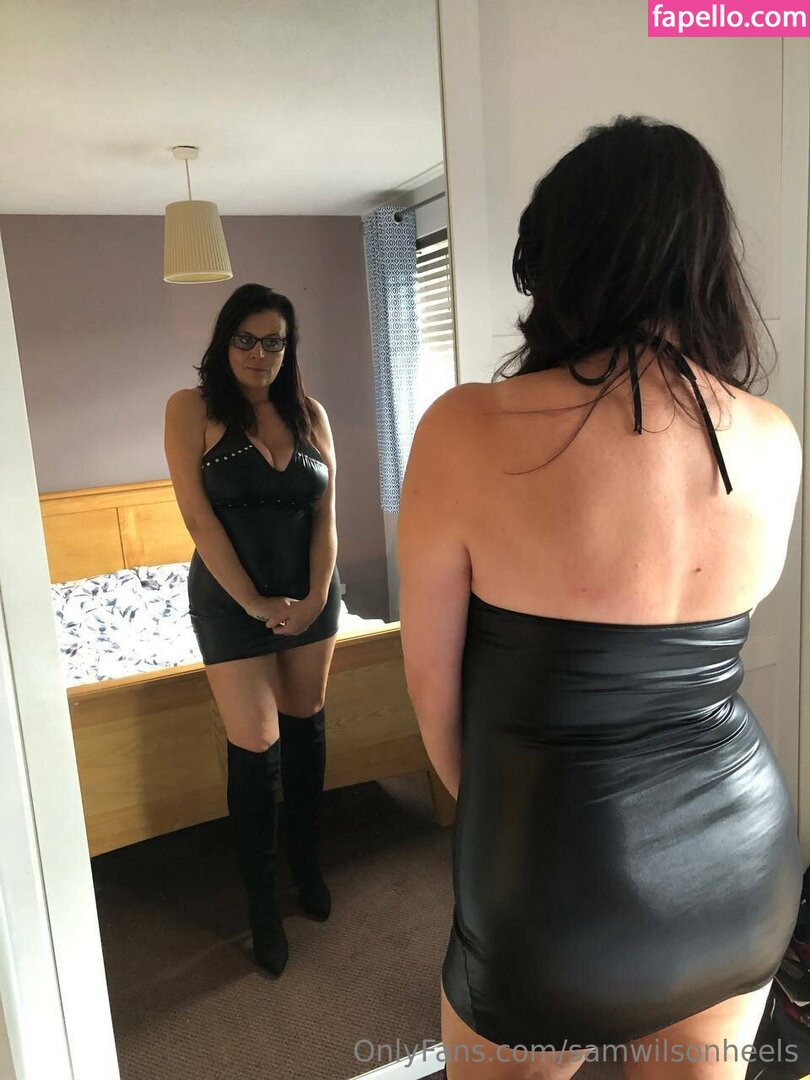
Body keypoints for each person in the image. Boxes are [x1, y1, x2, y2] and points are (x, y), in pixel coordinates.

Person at [397, 116, 803, 1079]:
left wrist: (514, 838)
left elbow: (435, 702)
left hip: (552, 873)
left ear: (560, 261)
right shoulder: (773, 436)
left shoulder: (466, 430)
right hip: (741, 863)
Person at [164, 283, 342, 976]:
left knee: (306, 727)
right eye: (246, 339)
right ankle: (262, 904)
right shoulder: (191, 409)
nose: (259, 353)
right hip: (229, 603)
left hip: (312, 601)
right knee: (256, 742)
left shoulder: (311, 415)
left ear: (288, 348)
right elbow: (197, 518)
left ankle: (308, 864)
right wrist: (254, 602)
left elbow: (326, 520)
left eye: (274, 341)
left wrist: (317, 595)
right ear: (225, 342)